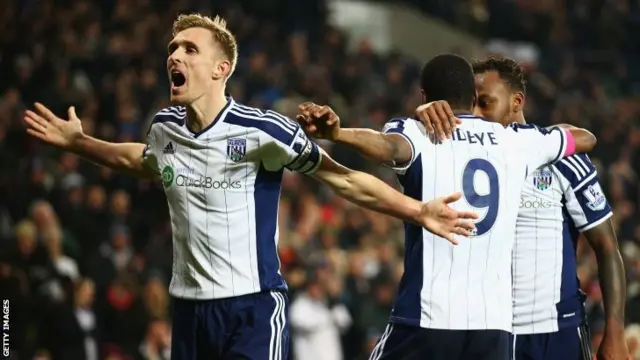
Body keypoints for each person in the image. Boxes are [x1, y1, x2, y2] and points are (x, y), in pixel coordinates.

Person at [22, 14, 478, 360]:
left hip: (252, 310)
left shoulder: (265, 132)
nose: (174, 56)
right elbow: (142, 160)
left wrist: (418, 211)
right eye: (173, 48)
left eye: (189, 49)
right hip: (187, 309)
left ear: (221, 69)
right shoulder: (164, 128)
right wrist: (79, 143)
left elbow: (343, 178)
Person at [295, 53, 597, 360]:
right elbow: (583, 139)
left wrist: (338, 134)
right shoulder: (519, 142)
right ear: (472, 94)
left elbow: (387, 146)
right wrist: (545, 135)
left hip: (428, 316)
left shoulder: (422, 132)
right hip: (493, 328)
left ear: (425, 96)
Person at [413, 56, 629, 360]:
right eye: (472, 103)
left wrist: (615, 333)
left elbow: (607, 247)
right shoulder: (457, 155)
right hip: (483, 330)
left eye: (485, 103)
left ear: (517, 101)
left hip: (553, 332)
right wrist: (425, 113)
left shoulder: (560, 157)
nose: (476, 114)